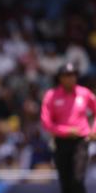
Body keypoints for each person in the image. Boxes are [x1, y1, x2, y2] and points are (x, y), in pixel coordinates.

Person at [41, 62, 96, 193]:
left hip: (81, 141)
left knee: (77, 179)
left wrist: (94, 130)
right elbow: (46, 122)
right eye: (67, 75)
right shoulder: (51, 96)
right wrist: (65, 131)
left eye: (73, 75)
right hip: (61, 143)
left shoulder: (84, 93)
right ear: (60, 78)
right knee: (66, 183)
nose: (71, 78)